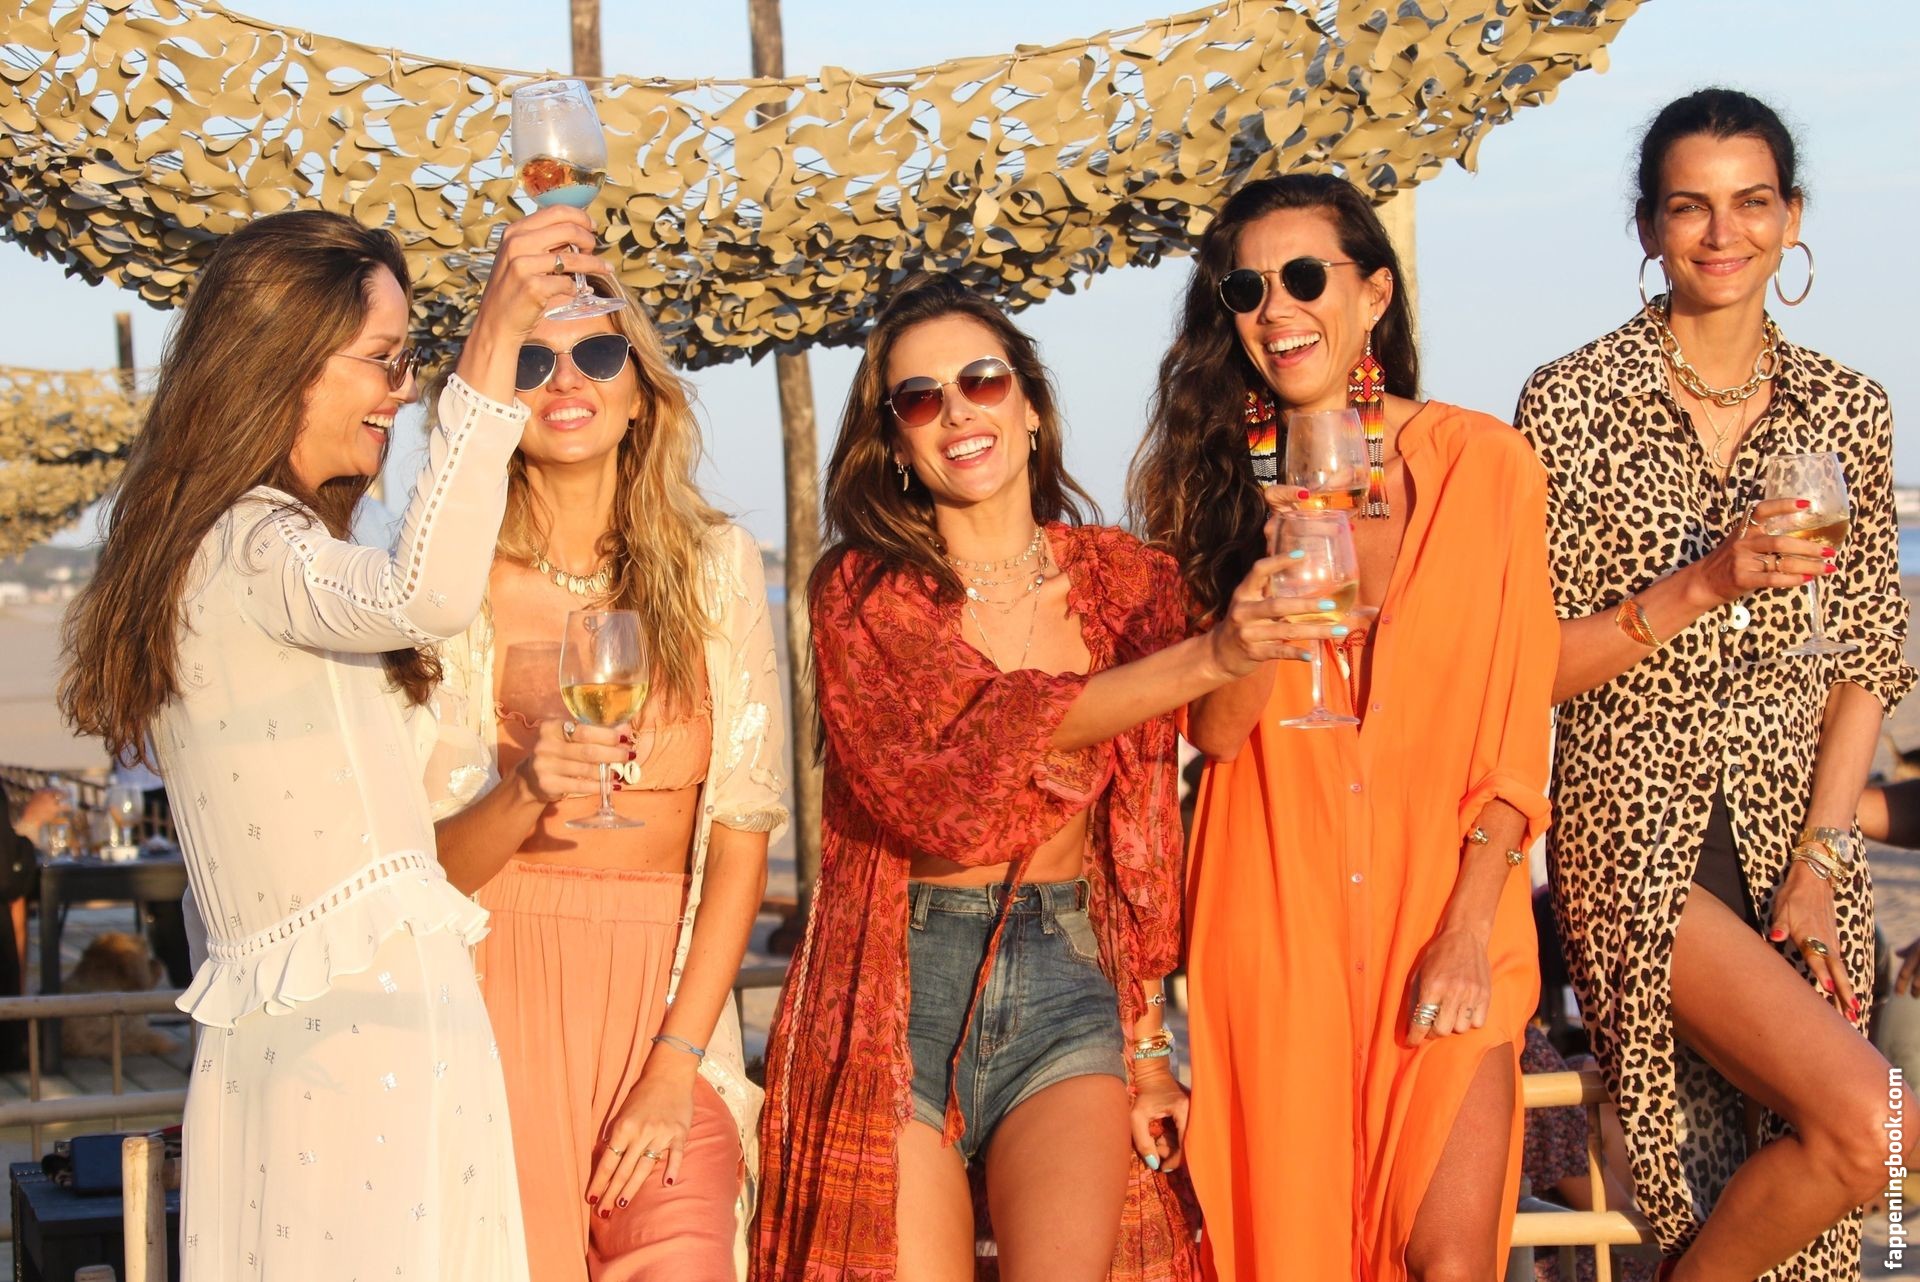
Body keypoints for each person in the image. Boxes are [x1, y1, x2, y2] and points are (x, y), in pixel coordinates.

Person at [57, 202, 608, 1279]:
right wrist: (489, 354)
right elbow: (423, 594)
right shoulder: (253, 543)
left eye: (410, 361)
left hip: (301, 1047)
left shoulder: (216, 549)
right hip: (365, 1050)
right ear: (284, 362)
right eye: (384, 359)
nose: (401, 390)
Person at [753, 273, 1297, 1281]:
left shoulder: (1128, 580)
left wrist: (1267, 602)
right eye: (921, 398)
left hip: (1065, 972)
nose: (959, 411)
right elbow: (952, 789)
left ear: (1032, 406)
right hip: (896, 984)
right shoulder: (863, 593)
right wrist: (1209, 654)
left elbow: (1212, 737)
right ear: (897, 443)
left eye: (982, 380)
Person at [1127, 172, 1559, 1281]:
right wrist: (1262, 598)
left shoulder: (1483, 467)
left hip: (1446, 905)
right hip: (1277, 913)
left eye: (1304, 277)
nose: (1275, 308)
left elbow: (1517, 723)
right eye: (1247, 289)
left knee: (1451, 1261)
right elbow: (1218, 737)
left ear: (1372, 294)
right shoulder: (1214, 494)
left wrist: (1471, 921)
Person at [1514, 88, 1913, 1279]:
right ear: (1649, 227)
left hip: (1801, 832)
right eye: (1690, 206)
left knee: (1782, 1199)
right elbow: (1532, 663)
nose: (1723, 232)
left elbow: (1870, 655)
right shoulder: (1569, 402)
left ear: (1792, 218)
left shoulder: (1850, 406)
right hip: (1636, 834)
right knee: (1875, 1124)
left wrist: (1825, 853)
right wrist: (1706, 581)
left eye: (1752, 202)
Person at [425, 284, 784, 1280]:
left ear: (641, 393)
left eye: (596, 355)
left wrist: (676, 1061)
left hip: (669, 1003)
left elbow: (742, 835)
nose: (566, 381)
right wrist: (524, 792)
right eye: (530, 362)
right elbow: (432, 871)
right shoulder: (455, 587)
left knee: (685, 1256)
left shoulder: (717, 566)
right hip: (500, 999)